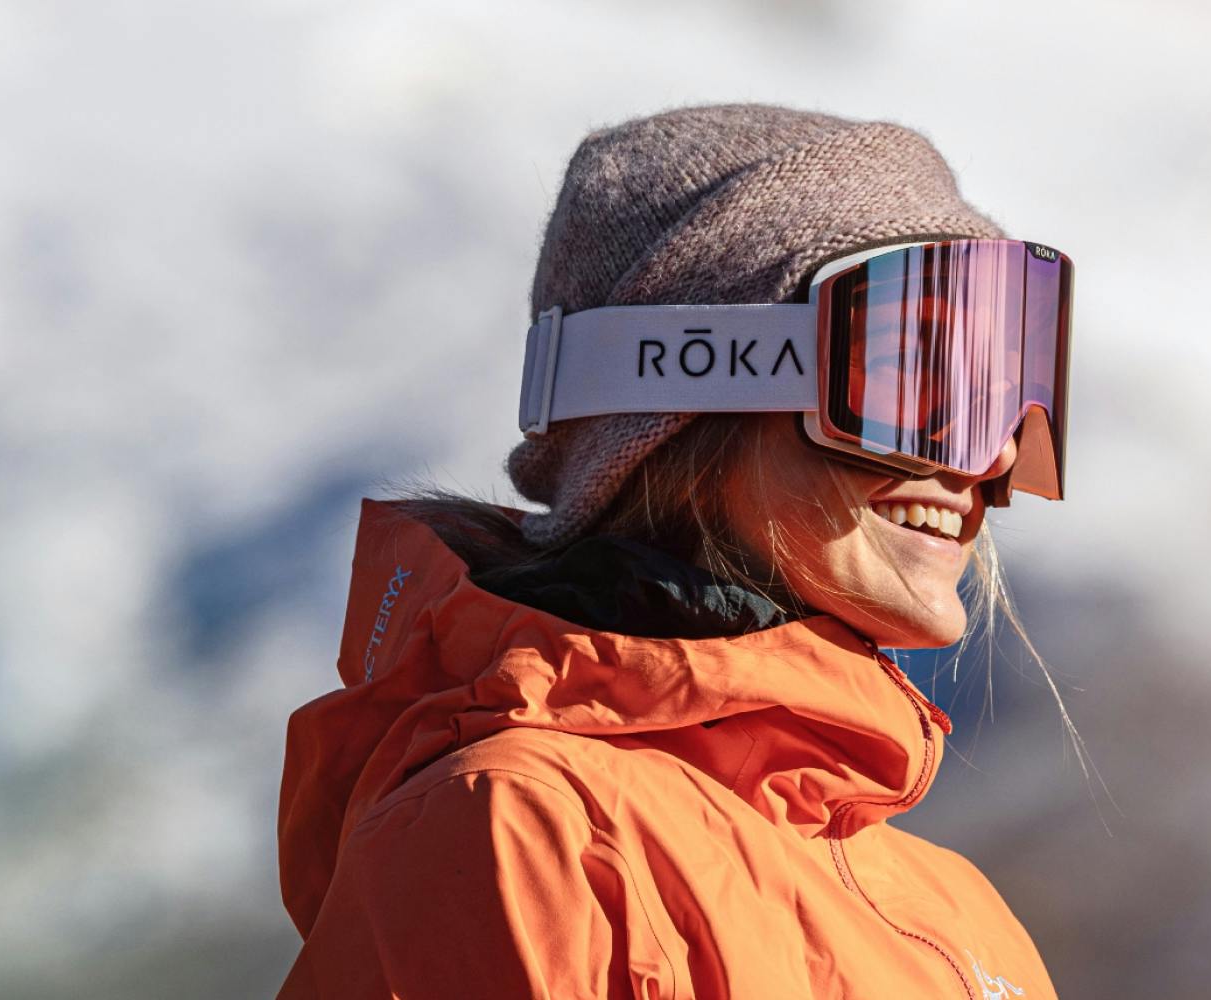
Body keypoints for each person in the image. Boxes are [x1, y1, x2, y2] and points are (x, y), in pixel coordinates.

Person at [275, 102, 1072, 999]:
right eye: (920, 380)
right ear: (690, 397)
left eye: (1002, 394)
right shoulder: (523, 833)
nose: (993, 456)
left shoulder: (962, 916)